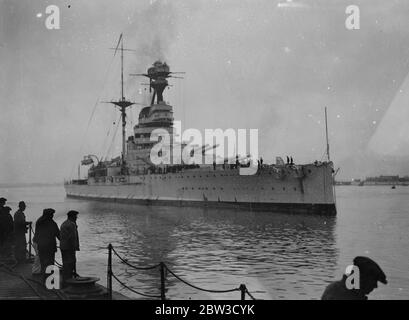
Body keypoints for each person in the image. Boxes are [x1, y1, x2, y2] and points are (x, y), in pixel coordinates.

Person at [321, 256, 387, 300]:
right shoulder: (345, 295)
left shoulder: (334, 287)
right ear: (362, 278)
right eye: (373, 281)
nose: (375, 286)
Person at [33, 208, 60, 281]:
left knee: (43, 262)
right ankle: (49, 279)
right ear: (49, 215)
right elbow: (58, 234)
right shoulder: (51, 223)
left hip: (41, 246)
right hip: (49, 246)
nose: (52, 216)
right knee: (50, 262)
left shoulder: (39, 221)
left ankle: (44, 278)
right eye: (52, 214)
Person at [60, 210, 80, 282]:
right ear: (72, 216)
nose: (76, 217)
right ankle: (69, 281)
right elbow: (72, 237)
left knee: (65, 264)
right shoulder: (71, 225)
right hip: (69, 248)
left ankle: (66, 280)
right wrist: (74, 248)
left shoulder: (65, 223)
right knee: (70, 263)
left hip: (63, 247)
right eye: (75, 216)